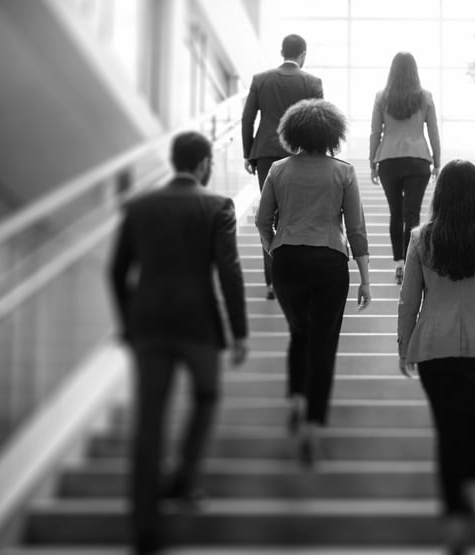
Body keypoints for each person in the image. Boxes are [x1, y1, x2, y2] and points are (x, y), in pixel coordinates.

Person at [108, 131, 249, 555]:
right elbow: (229, 271)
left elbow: (116, 272)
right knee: (205, 398)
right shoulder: (216, 206)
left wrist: (128, 325)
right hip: (198, 326)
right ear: (205, 164)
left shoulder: (139, 207)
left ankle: (145, 530)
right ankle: (183, 480)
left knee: (149, 422)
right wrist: (239, 331)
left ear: (174, 162)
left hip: (148, 326)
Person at [398, 160, 475, 555]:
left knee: (447, 427)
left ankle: (454, 513)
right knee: (470, 418)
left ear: (440, 194)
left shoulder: (420, 238)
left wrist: (404, 346)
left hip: (435, 346)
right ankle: (467, 485)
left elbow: (409, 301)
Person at [255, 99, 371, 468]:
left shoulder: (277, 169)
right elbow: (355, 229)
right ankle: (313, 429)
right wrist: (366, 278)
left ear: (294, 132)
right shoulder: (344, 172)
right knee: (323, 345)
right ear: (331, 133)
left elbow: (261, 221)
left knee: (299, 334)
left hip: (287, 260)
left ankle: (296, 399)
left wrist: (275, 248)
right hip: (329, 261)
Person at [241, 33, 324, 300]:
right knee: (296, 214)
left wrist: (248, 154)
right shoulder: (312, 82)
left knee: (268, 214)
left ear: (281, 52)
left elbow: (247, 119)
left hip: (265, 153)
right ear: (303, 54)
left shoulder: (260, 80)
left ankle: (272, 282)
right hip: (300, 154)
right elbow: (320, 121)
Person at [369, 51, 441, 285]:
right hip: (418, 160)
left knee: (395, 213)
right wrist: (437, 162)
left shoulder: (382, 97)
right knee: (412, 214)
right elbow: (433, 133)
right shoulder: (425, 97)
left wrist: (372, 161)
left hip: (389, 160)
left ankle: (398, 263)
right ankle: (410, 264)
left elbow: (375, 133)